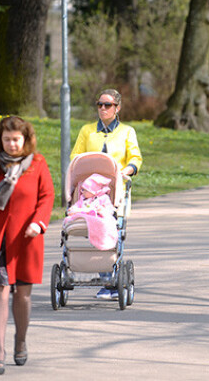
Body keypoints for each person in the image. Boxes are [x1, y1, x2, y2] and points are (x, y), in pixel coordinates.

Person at [0, 116, 54, 375]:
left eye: (16, 139)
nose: (12, 144)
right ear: (0, 140)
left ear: (25, 140)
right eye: (7, 139)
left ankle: (20, 340)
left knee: (23, 296)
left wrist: (39, 223)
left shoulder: (37, 164)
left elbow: (47, 195)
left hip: (26, 239)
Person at [71, 88, 142, 299]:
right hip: (92, 189)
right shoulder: (87, 131)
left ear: (117, 108)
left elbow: (135, 158)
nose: (103, 108)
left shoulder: (127, 132)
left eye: (108, 105)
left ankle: (112, 279)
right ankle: (108, 276)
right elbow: (76, 156)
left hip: (115, 188)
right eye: (100, 104)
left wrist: (124, 172)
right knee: (96, 228)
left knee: (114, 229)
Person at [64, 172, 118, 251]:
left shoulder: (103, 198)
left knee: (106, 221)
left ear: (93, 191)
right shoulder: (82, 199)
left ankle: (104, 243)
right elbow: (76, 207)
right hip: (82, 218)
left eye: (85, 190)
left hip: (97, 217)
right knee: (73, 216)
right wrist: (73, 210)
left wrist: (102, 210)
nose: (82, 192)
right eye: (82, 189)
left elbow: (110, 210)